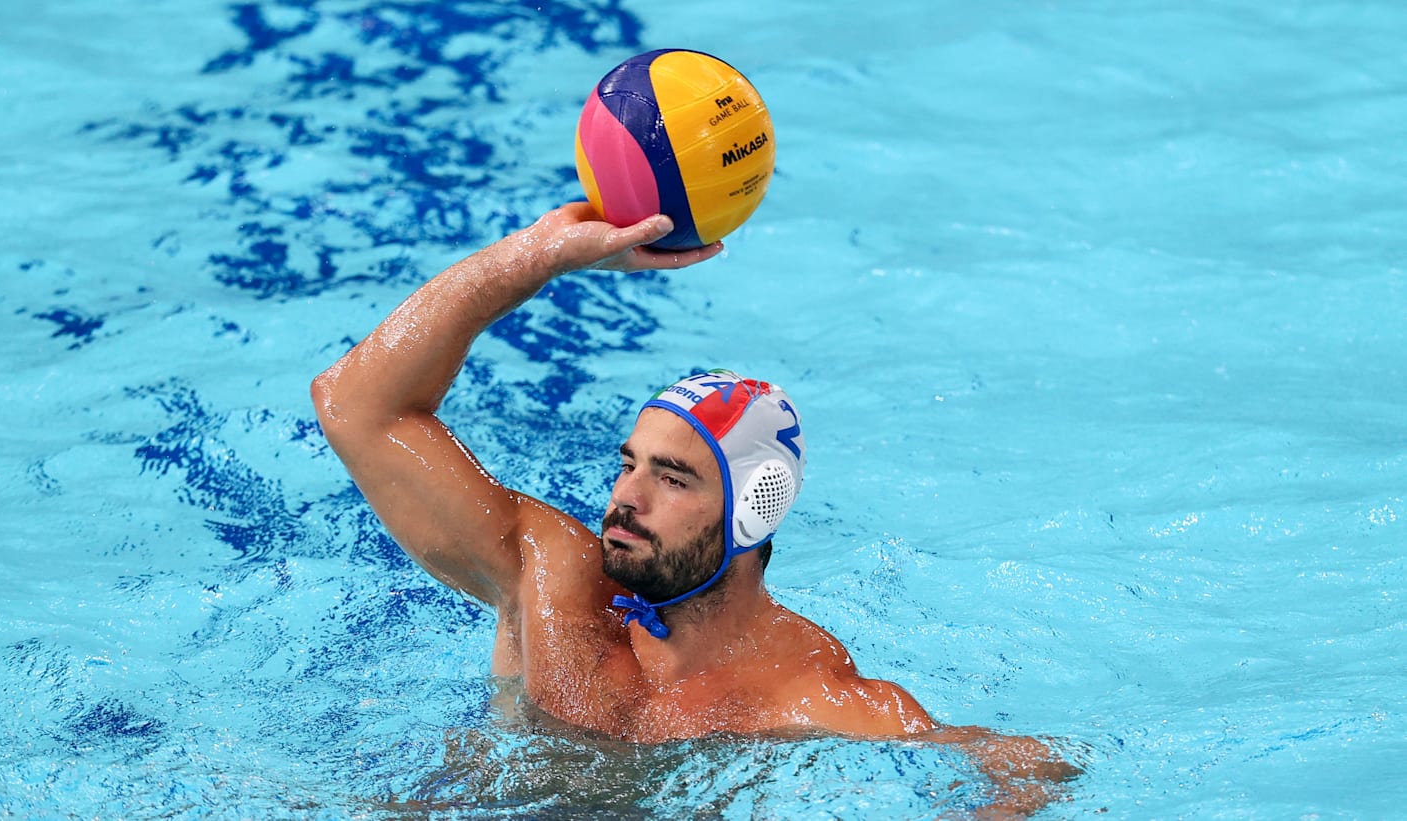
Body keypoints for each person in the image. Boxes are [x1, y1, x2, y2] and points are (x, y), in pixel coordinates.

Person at [312, 203, 1077, 814]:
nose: (625, 497)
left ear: (752, 510)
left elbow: (1030, 764)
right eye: (628, 464)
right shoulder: (547, 574)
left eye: (673, 478)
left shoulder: (803, 690)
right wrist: (535, 257)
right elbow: (353, 404)